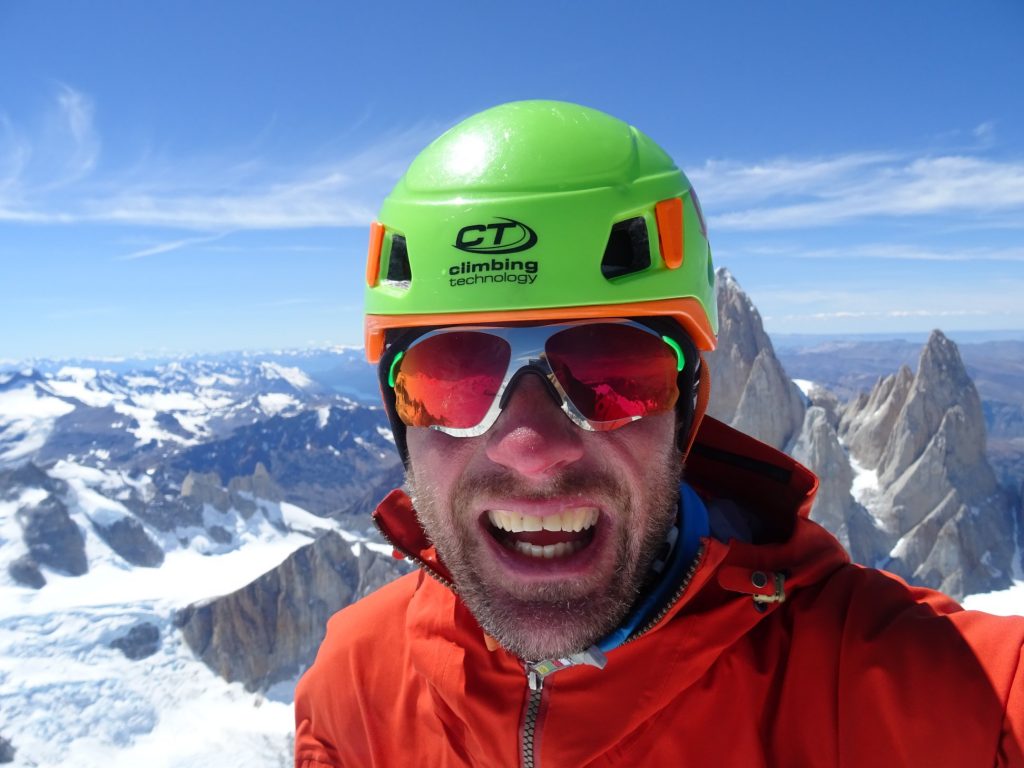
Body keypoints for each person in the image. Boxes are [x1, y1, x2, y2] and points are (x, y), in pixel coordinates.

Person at [294, 100, 1024, 767]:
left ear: (688, 409)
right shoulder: (352, 692)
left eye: (614, 372)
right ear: (398, 419)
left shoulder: (905, 689)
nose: (532, 449)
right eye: (453, 381)